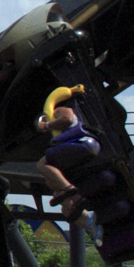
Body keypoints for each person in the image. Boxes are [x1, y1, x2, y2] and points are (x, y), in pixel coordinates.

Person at [34, 86, 99, 239]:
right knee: (54, 187)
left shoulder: (62, 109)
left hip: (81, 143)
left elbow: (67, 119)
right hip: (84, 147)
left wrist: (46, 125)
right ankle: (88, 220)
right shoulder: (84, 114)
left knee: (42, 165)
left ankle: (69, 189)